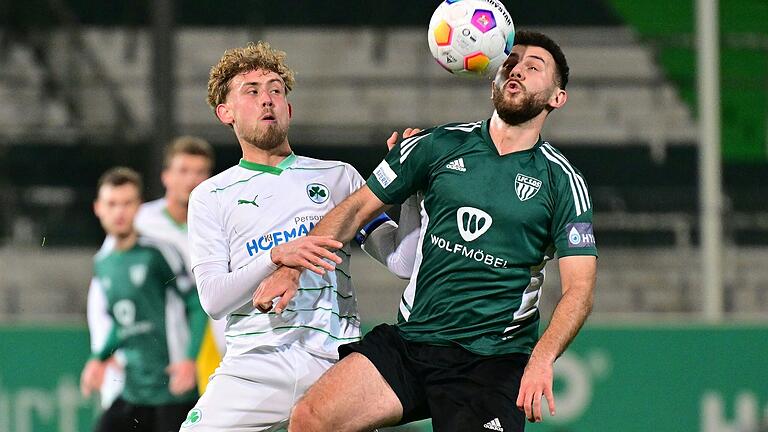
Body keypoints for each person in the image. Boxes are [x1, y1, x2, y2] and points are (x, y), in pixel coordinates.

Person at [254, 30, 598, 432]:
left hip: (492, 361)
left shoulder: (562, 181)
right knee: (311, 419)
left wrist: (541, 360)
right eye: (510, 62)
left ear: (557, 97)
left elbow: (580, 289)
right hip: (413, 342)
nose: (516, 69)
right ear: (493, 80)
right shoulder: (436, 145)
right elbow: (355, 210)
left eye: (533, 66)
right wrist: (292, 268)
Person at [180, 41, 420, 431]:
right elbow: (213, 299)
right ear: (226, 113)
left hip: (332, 362)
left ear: (288, 108)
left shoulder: (338, 177)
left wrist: (409, 191)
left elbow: (403, 262)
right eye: (252, 91)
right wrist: (276, 257)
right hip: (254, 365)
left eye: (276, 90)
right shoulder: (210, 196)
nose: (267, 100)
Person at [86, 137, 224, 411]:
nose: (192, 180)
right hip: (154, 342)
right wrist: (104, 349)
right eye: (184, 171)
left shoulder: (220, 222)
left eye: (200, 172)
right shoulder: (142, 220)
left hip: (212, 333)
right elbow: (106, 288)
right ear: (166, 176)